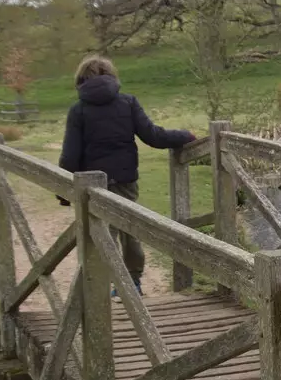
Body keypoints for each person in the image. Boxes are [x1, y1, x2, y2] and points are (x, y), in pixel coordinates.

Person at [59, 56, 195, 292]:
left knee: (101, 231)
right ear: (112, 77)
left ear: (81, 79)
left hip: (92, 183)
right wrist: (185, 136)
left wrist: (63, 190)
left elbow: (70, 154)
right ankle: (132, 280)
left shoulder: (78, 111)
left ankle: (105, 282)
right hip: (124, 178)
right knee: (129, 228)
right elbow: (154, 136)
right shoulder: (128, 103)